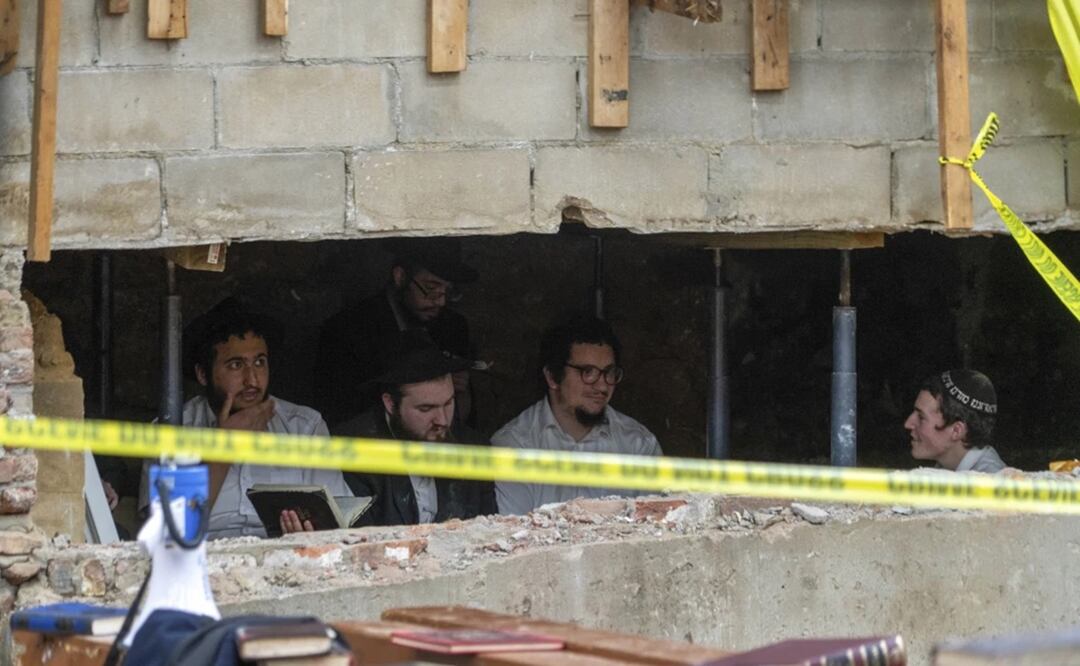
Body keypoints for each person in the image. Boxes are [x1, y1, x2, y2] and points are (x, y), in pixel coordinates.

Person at [181, 299, 354, 539]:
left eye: (260, 362)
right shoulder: (173, 429)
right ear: (203, 374)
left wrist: (305, 536)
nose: (252, 380)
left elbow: (339, 525)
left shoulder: (304, 427)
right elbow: (170, 533)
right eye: (235, 365)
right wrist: (223, 449)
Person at [494, 315, 662, 515]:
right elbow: (513, 535)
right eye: (588, 372)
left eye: (609, 373)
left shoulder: (639, 446)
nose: (602, 385)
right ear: (552, 377)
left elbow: (654, 533)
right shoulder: (515, 444)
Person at [333, 331, 496, 526]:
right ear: (390, 404)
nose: (443, 420)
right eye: (426, 409)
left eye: (448, 403)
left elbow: (487, 532)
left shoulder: (475, 449)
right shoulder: (353, 452)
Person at [315, 238, 477, 427]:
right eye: (431, 288)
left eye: (448, 291)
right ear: (400, 277)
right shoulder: (347, 330)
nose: (440, 302)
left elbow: (465, 419)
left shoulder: (453, 327)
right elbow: (336, 411)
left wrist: (459, 390)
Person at [904, 369, 1007, 473]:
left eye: (921, 417)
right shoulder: (950, 467)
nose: (908, 424)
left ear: (956, 431)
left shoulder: (988, 483)